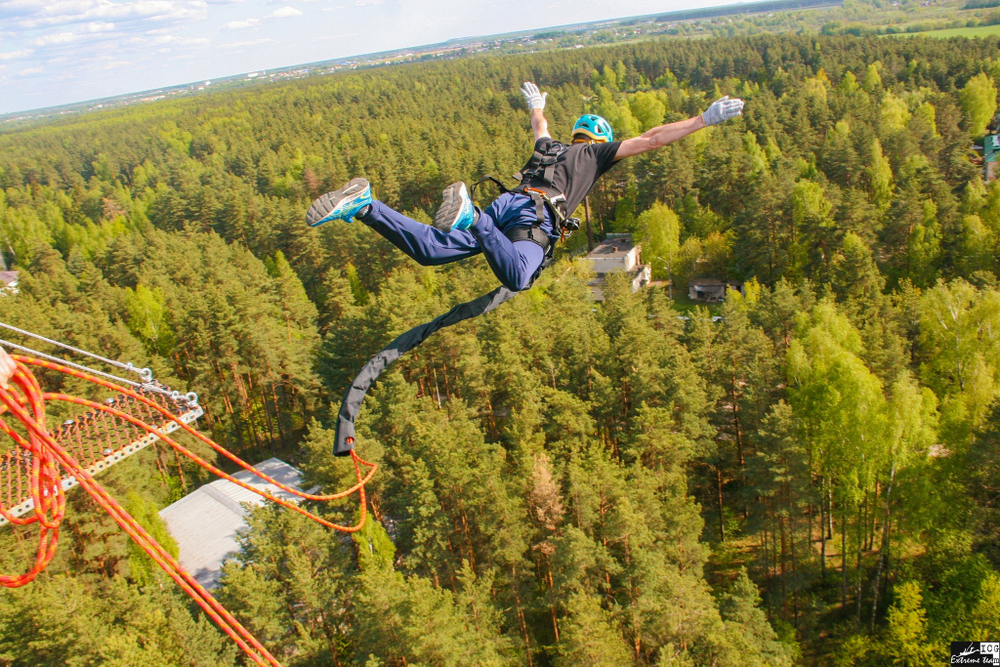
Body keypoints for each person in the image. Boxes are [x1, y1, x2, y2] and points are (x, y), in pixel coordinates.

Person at [305, 82, 744, 291]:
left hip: (507, 205)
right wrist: (702, 120)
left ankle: (365, 206)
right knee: (517, 275)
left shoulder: (548, 146)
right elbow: (651, 138)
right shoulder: (594, 155)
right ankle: (469, 216)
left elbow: (539, 125)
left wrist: (537, 105)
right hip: (532, 218)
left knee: (432, 251)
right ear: (601, 140)